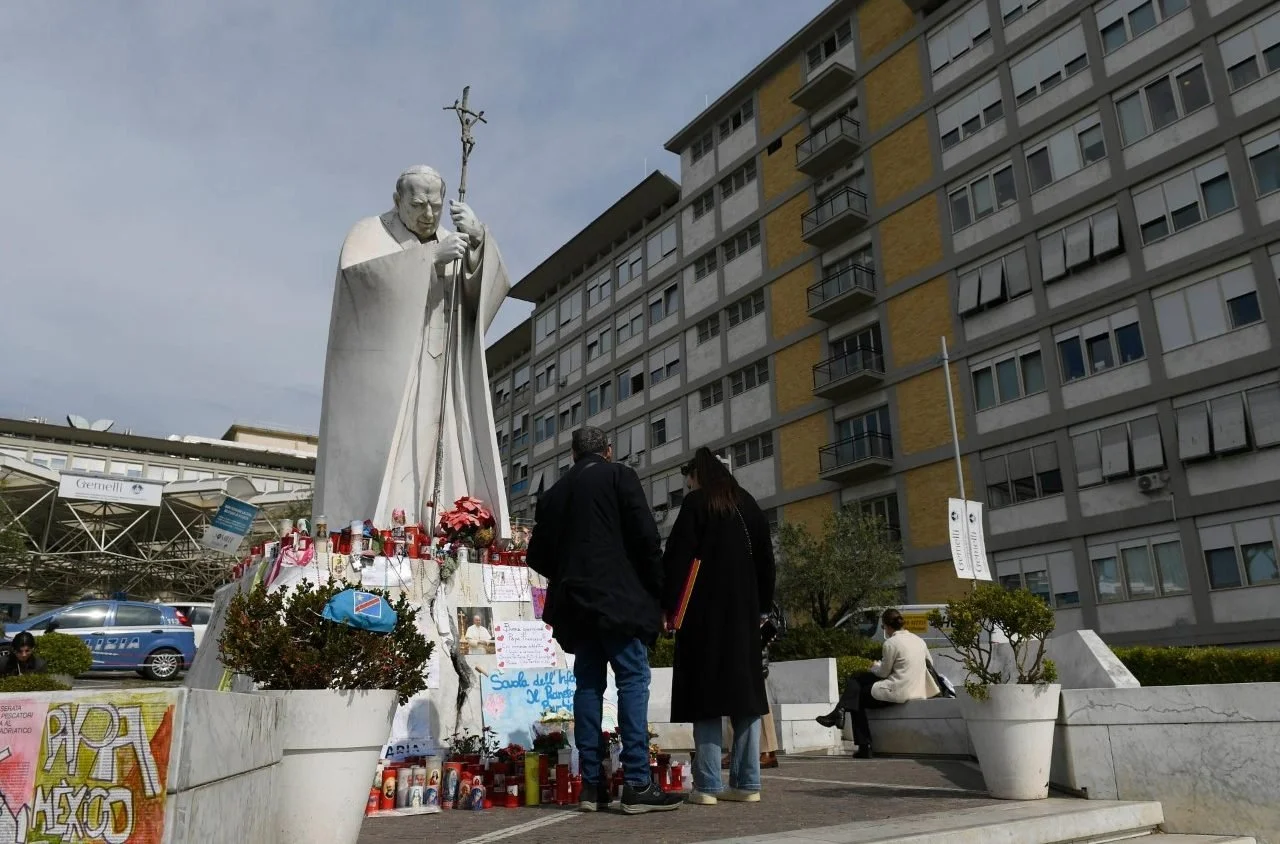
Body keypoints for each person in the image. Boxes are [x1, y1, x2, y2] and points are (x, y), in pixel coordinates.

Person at [527, 427, 681, 815]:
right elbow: (647, 539)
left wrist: (568, 574)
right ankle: (636, 783)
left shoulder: (555, 494)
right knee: (632, 679)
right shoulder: (620, 476)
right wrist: (660, 592)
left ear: (574, 455)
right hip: (619, 601)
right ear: (608, 451)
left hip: (576, 605)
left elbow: (537, 555)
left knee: (588, 686)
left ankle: (591, 787)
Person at [662, 447, 776, 805]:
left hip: (702, 615)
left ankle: (708, 786)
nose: (690, 484)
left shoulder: (696, 505)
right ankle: (747, 784)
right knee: (746, 698)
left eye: (690, 478)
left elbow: (677, 559)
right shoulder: (748, 504)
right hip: (744, 615)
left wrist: (667, 607)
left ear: (698, 475)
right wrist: (761, 608)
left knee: (705, 697)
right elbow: (767, 561)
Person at [815, 608, 940, 758]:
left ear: (887, 626)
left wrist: (874, 666)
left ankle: (860, 741)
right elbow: (929, 663)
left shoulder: (891, 643)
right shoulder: (919, 641)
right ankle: (839, 713)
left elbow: (883, 673)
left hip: (897, 692)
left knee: (857, 694)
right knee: (858, 681)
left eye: (883, 627)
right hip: (917, 689)